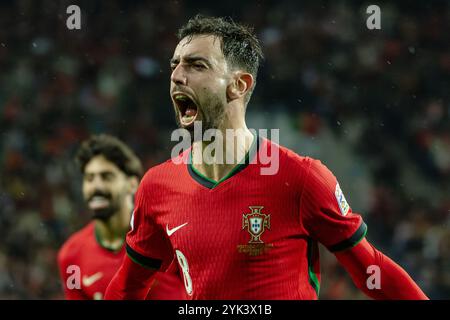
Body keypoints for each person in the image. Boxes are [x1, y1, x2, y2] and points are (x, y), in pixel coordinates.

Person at [105, 16, 428, 300]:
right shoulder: (158, 186)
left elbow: (371, 271)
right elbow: (127, 288)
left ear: (238, 85)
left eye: (196, 65)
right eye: (174, 64)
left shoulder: (301, 178)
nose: (176, 75)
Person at [58, 134, 184, 300]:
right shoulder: (71, 256)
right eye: (89, 178)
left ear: (132, 184)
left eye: (106, 176)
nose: (96, 186)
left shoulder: (167, 237)